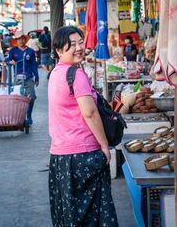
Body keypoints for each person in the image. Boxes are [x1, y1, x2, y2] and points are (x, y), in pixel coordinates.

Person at [48, 26, 118, 227]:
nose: (79, 48)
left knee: (71, 215)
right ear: (59, 50)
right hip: (84, 155)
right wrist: (104, 145)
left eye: (80, 42)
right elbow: (90, 112)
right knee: (94, 216)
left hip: (61, 158)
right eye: (72, 45)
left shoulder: (56, 73)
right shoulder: (76, 75)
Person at [6, 31, 39, 125]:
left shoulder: (30, 51)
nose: (20, 41)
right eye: (18, 39)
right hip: (18, 78)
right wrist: (10, 62)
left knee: (31, 97)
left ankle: (29, 116)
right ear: (16, 41)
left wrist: (37, 77)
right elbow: (7, 60)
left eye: (22, 39)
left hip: (28, 77)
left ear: (25, 39)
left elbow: (34, 65)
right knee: (17, 98)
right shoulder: (13, 51)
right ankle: (20, 116)